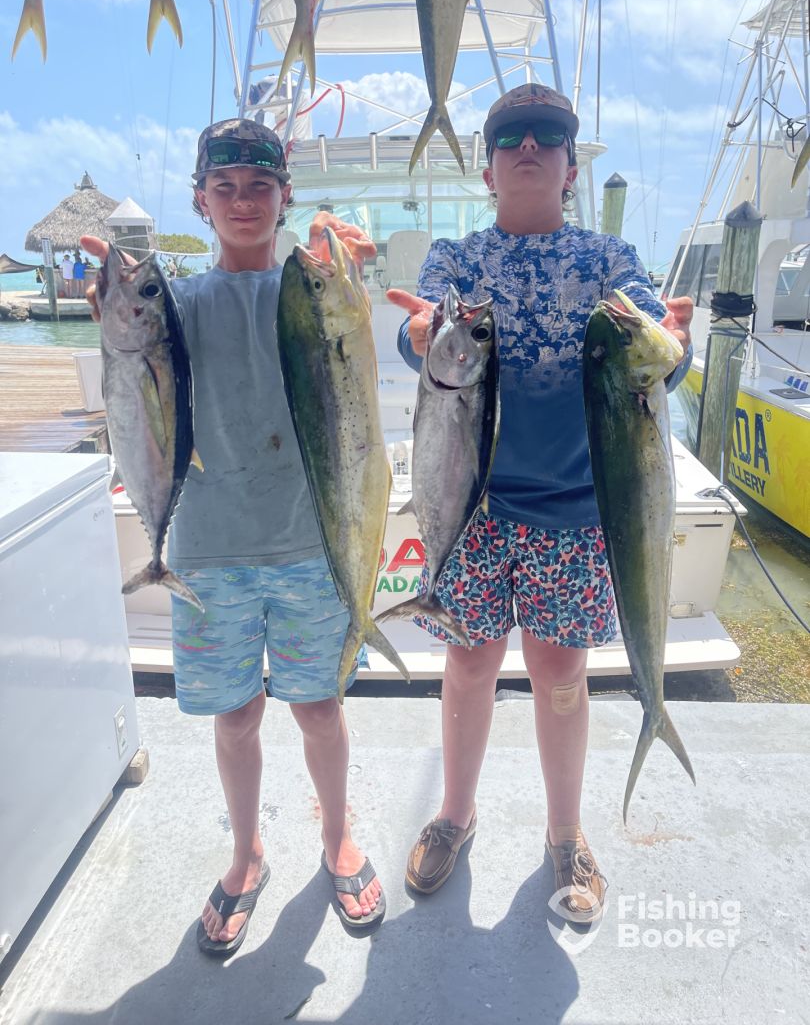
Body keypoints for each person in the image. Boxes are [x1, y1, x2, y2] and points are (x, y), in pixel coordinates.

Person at [389, 84, 694, 923]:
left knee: (561, 671)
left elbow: (653, 347)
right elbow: (424, 328)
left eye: (548, 135)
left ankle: (565, 831)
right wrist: (416, 336)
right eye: (512, 136)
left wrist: (674, 338)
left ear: (569, 167)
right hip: (473, 509)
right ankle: (456, 814)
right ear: (488, 170)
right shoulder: (456, 259)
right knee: (470, 664)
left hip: (577, 506)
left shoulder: (608, 258)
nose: (529, 146)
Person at [82, 118, 385, 955]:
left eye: (260, 187)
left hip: (312, 543)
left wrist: (354, 269)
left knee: (319, 707)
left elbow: (366, 351)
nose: (243, 201)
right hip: (208, 551)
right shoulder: (175, 301)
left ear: (285, 197)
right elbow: (133, 354)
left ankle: (336, 836)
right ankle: (247, 850)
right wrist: (110, 301)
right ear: (200, 201)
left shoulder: (315, 287)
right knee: (237, 715)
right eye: (225, 188)